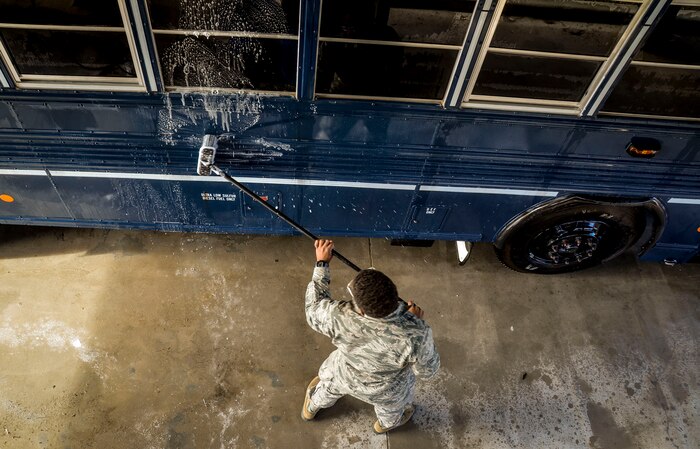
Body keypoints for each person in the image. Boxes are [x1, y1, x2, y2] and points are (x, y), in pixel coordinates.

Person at [301, 239, 440, 433]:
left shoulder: (338, 316)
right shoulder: (417, 334)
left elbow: (313, 308)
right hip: (388, 391)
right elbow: (428, 371)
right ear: (394, 293)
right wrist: (413, 321)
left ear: (363, 309)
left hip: (345, 375)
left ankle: (311, 408)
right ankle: (383, 426)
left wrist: (322, 264)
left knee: (327, 388)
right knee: (392, 410)